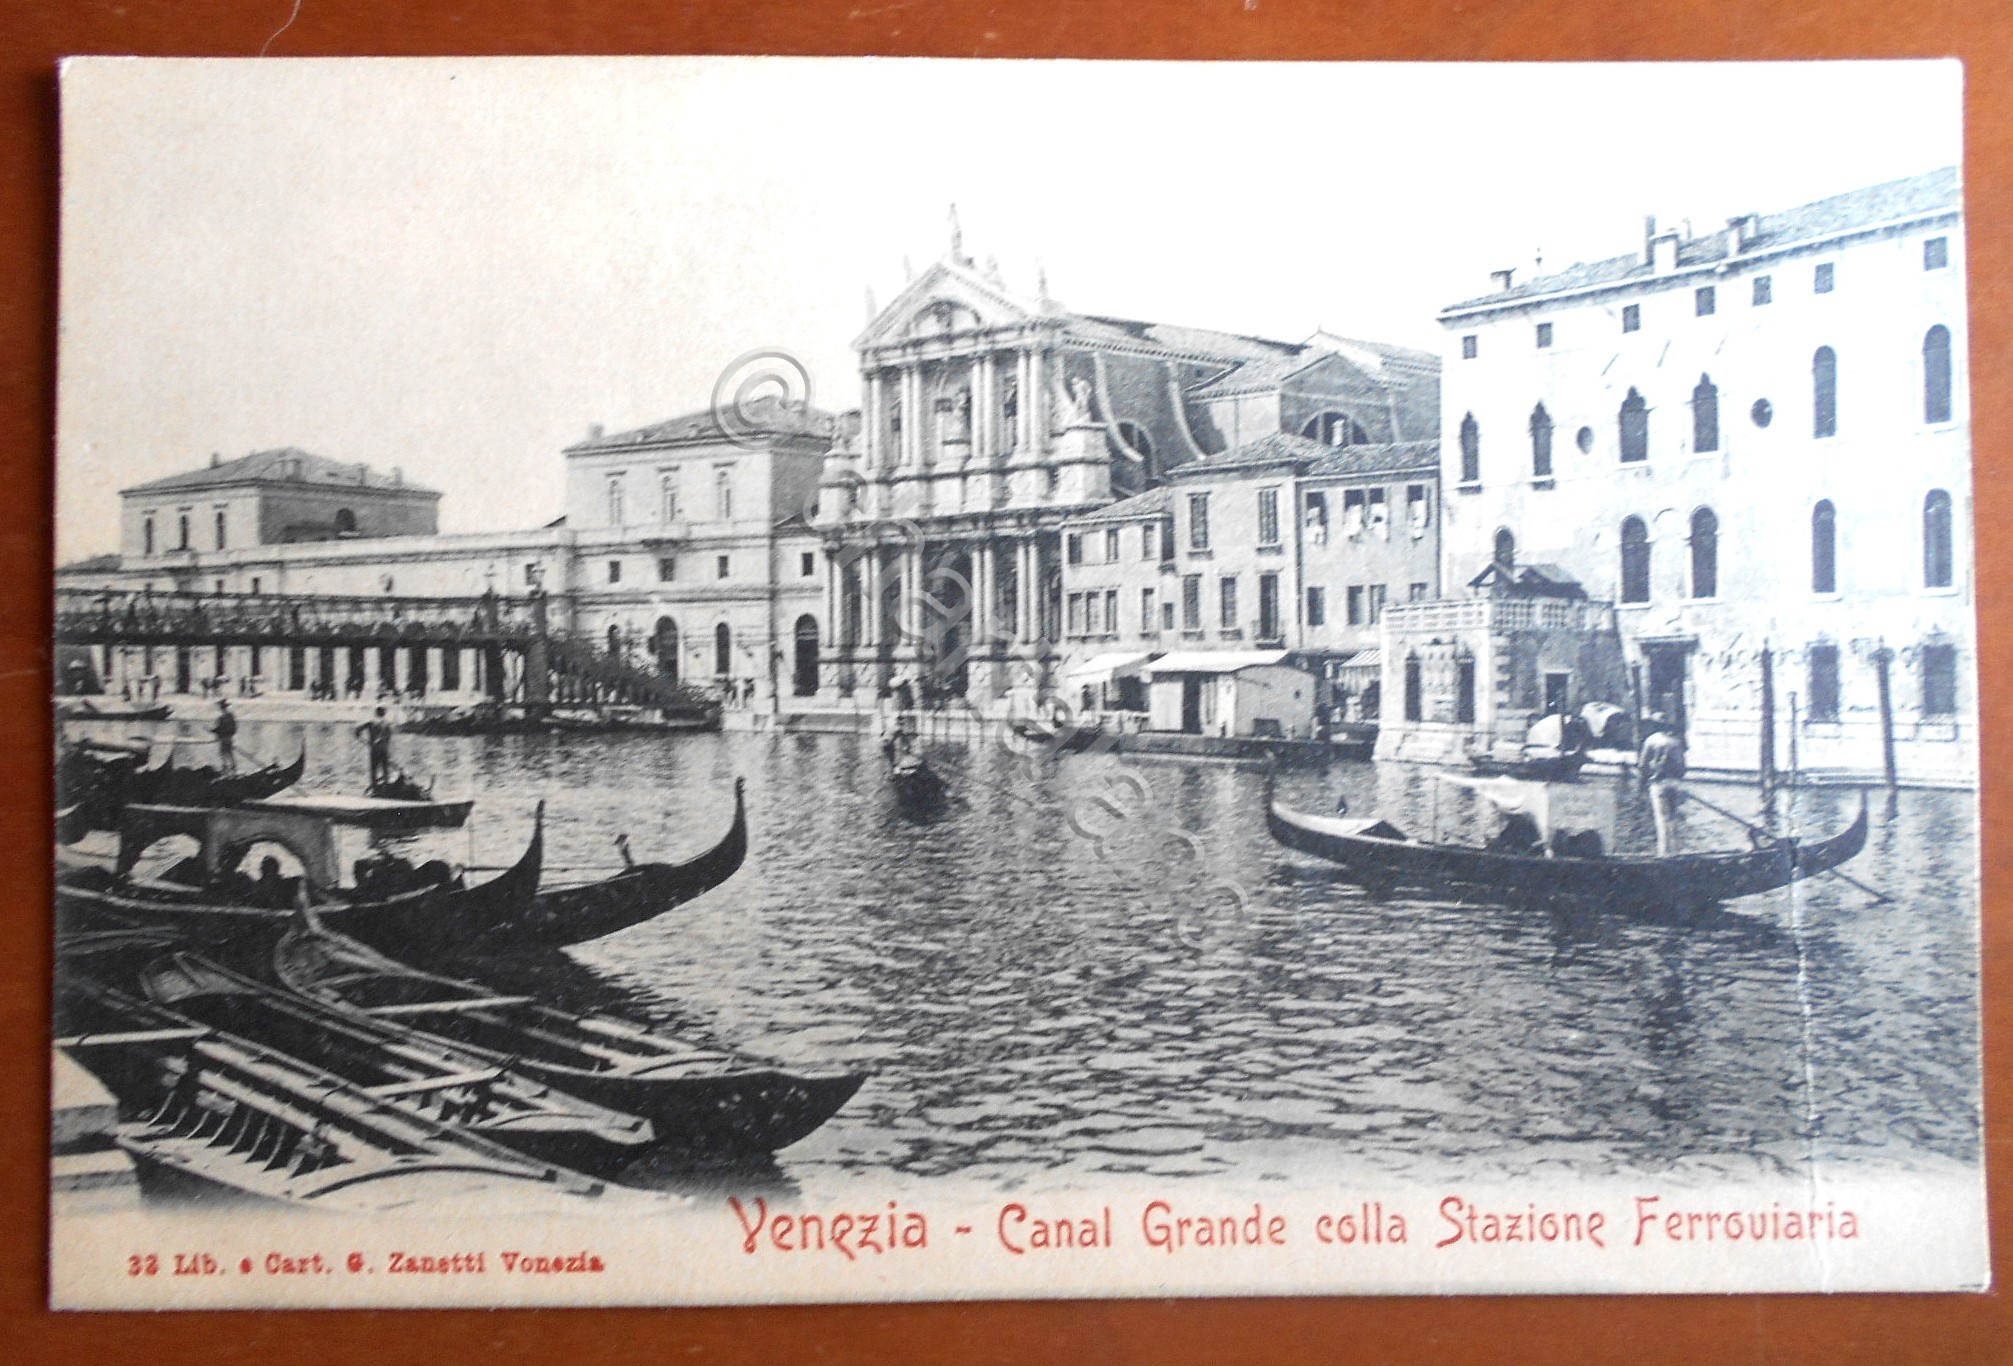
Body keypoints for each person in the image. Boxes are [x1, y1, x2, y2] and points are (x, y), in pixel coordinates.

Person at [1640, 714, 1686, 855]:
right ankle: (1675, 852)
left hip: (1658, 784)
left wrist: (1647, 779)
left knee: (1661, 818)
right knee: (1673, 818)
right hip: (1674, 783)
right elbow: (1682, 768)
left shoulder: (1651, 740)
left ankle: (1664, 853)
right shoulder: (1675, 742)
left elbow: (1642, 765)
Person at [358, 706, 394, 787]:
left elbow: (357, 732)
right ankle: (385, 787)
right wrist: (386, 746)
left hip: (374, 749)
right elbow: (389, 737)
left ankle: (374, 788)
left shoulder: (371, 723)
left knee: (374, 770)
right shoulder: (387, 724)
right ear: (384, 714)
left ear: (376, 713)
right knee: (385, 769)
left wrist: (365, 741)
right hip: (384, 750)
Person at [212, 698, 238, 772]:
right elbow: (233, 728)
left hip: (224, 738)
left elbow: (220, 728)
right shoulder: (230, 716)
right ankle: (233, 766)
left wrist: (215, 731)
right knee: (229, 752)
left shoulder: (222, 718)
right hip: (229, 737)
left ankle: (226, 766)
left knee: (223, 752)